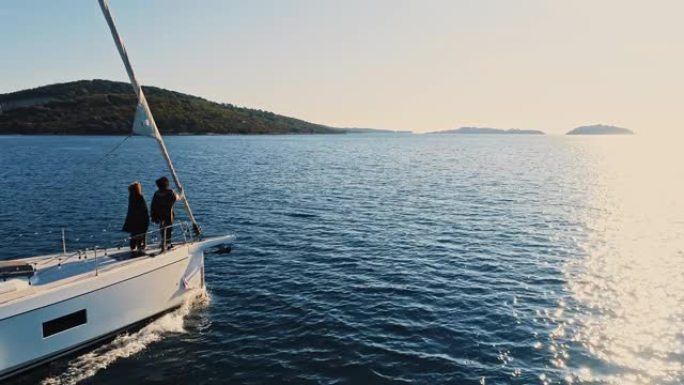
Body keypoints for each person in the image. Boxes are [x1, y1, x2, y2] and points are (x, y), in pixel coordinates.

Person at [122, 182, 149, 257]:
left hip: (133, 219)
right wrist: (147, 219)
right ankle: (141, 247)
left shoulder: (131, 197)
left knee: (134, 234)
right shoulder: (140, 197)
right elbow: (144, 209)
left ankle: (133, 247)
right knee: (141, 233)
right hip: (141, 219)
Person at [151, 176, 177, 251]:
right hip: (168, 214)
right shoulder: (170, 192)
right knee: (168, 229)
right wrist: (181, 193)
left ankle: (164, 242)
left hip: (160, 214)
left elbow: (153, 205)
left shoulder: (157, 193)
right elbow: (175, 198)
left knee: (162, 228)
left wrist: (153, 215)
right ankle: (167, 243)